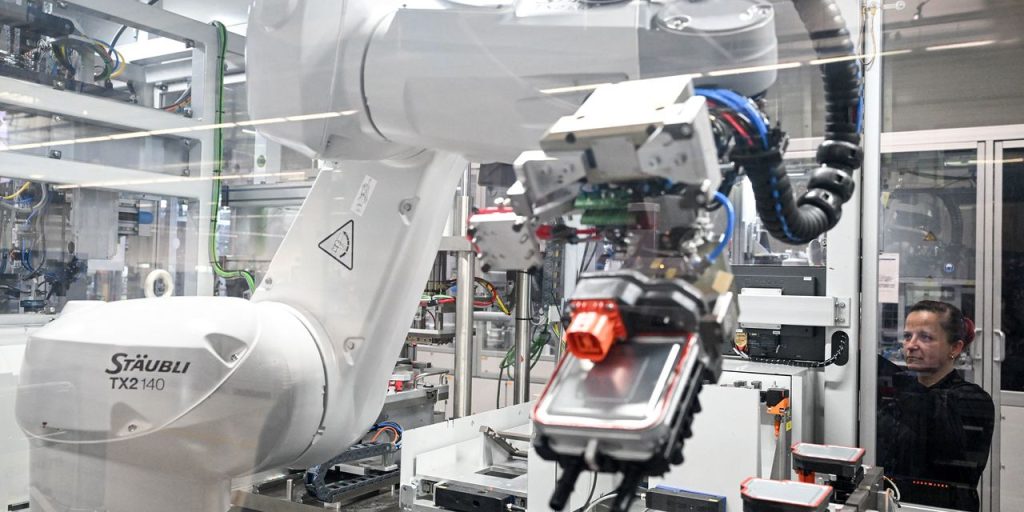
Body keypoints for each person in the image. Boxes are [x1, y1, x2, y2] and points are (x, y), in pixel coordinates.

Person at [877, 300, 995, 512]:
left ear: (955, 348)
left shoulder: (972, 400)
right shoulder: (900, 396)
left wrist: (873, 365)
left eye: (925, 337)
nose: (911, 345)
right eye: (907, 336)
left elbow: (929, 410)